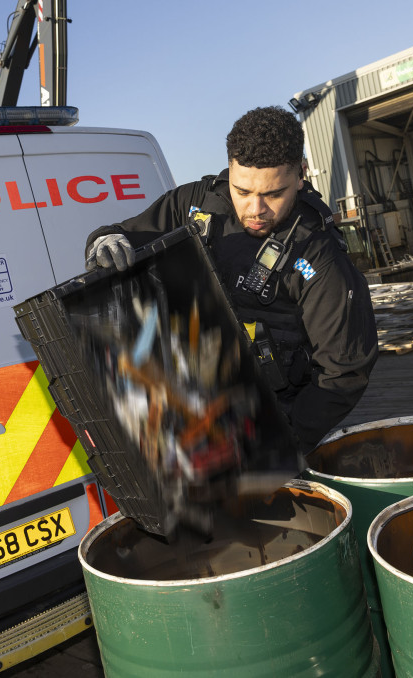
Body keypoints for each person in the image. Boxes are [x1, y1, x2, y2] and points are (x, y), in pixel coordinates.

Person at [84, 105, 378, 452]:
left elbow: (343, 371)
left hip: (266, 424)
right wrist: (104, 240)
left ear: (300, 176)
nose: (255, 209)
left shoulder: (319, 259)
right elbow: (128, 234)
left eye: (273, 194)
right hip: (183, 409)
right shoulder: (194, 204)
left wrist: (285, 441)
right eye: (242, 191)